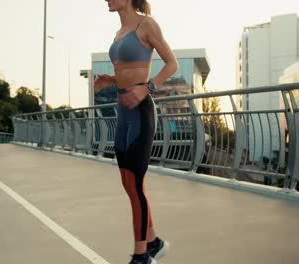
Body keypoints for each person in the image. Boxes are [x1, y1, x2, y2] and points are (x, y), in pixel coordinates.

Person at [94, 1, 179, 263]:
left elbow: (171, 63)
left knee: (136, 186)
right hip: (123, 114)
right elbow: (127, 72)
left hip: (141, 111)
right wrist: (111, 79)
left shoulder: (146, 24)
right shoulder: (119, 33)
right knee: (130, 185)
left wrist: (147, 87)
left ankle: (141, 256)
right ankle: (154, 242)